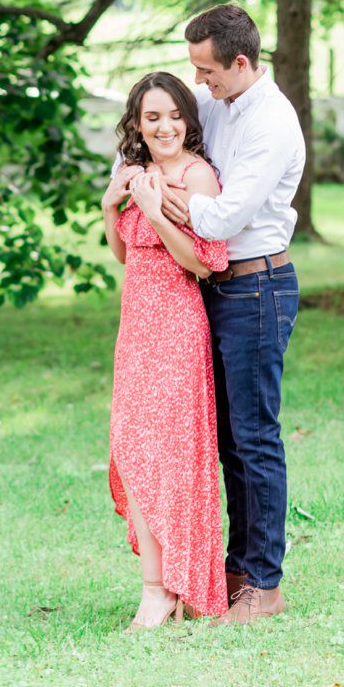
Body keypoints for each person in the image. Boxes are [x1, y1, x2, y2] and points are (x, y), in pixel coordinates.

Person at [138, 3, 306, 626]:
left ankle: (264, 586)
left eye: (206, 71)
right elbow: (163, 141)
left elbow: (225, 217)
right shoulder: (217, 103)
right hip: (210, 288)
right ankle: (230, 571)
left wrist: (168, 205)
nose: (199, 84)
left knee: (255, 438)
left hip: (257, 288)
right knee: (224, 441)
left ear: (240, 62)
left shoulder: (273, 122)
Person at [101, 72, 231, 629]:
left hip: (177, 324)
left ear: (188, 119)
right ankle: (157, 584)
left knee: (169, 458)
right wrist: (113, 207)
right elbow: (125, 256)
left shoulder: (197, 176)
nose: (165, 126)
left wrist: (155, 212)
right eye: (152, 117)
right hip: (136, 326)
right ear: (136, 123)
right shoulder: (134, 172)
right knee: (132, 452)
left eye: (174, 115)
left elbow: (203, 262)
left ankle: (166, 589)